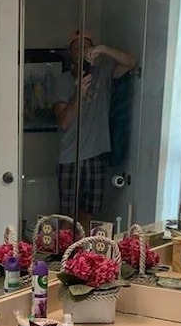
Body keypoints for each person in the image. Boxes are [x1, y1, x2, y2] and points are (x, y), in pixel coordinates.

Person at [53, 30, 136, 228]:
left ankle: (82, 257)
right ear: (70, 53)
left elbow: (131, 62)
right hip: (70, 156)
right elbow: (64, 122)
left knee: (87, 214)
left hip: (97, 153)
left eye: (87, 47)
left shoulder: (103, 72)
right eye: (76, 47)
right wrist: (78, 94)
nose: (82, 51)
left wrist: (104, 49)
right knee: (67, 216)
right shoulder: (62, 82)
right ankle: (65, 256)